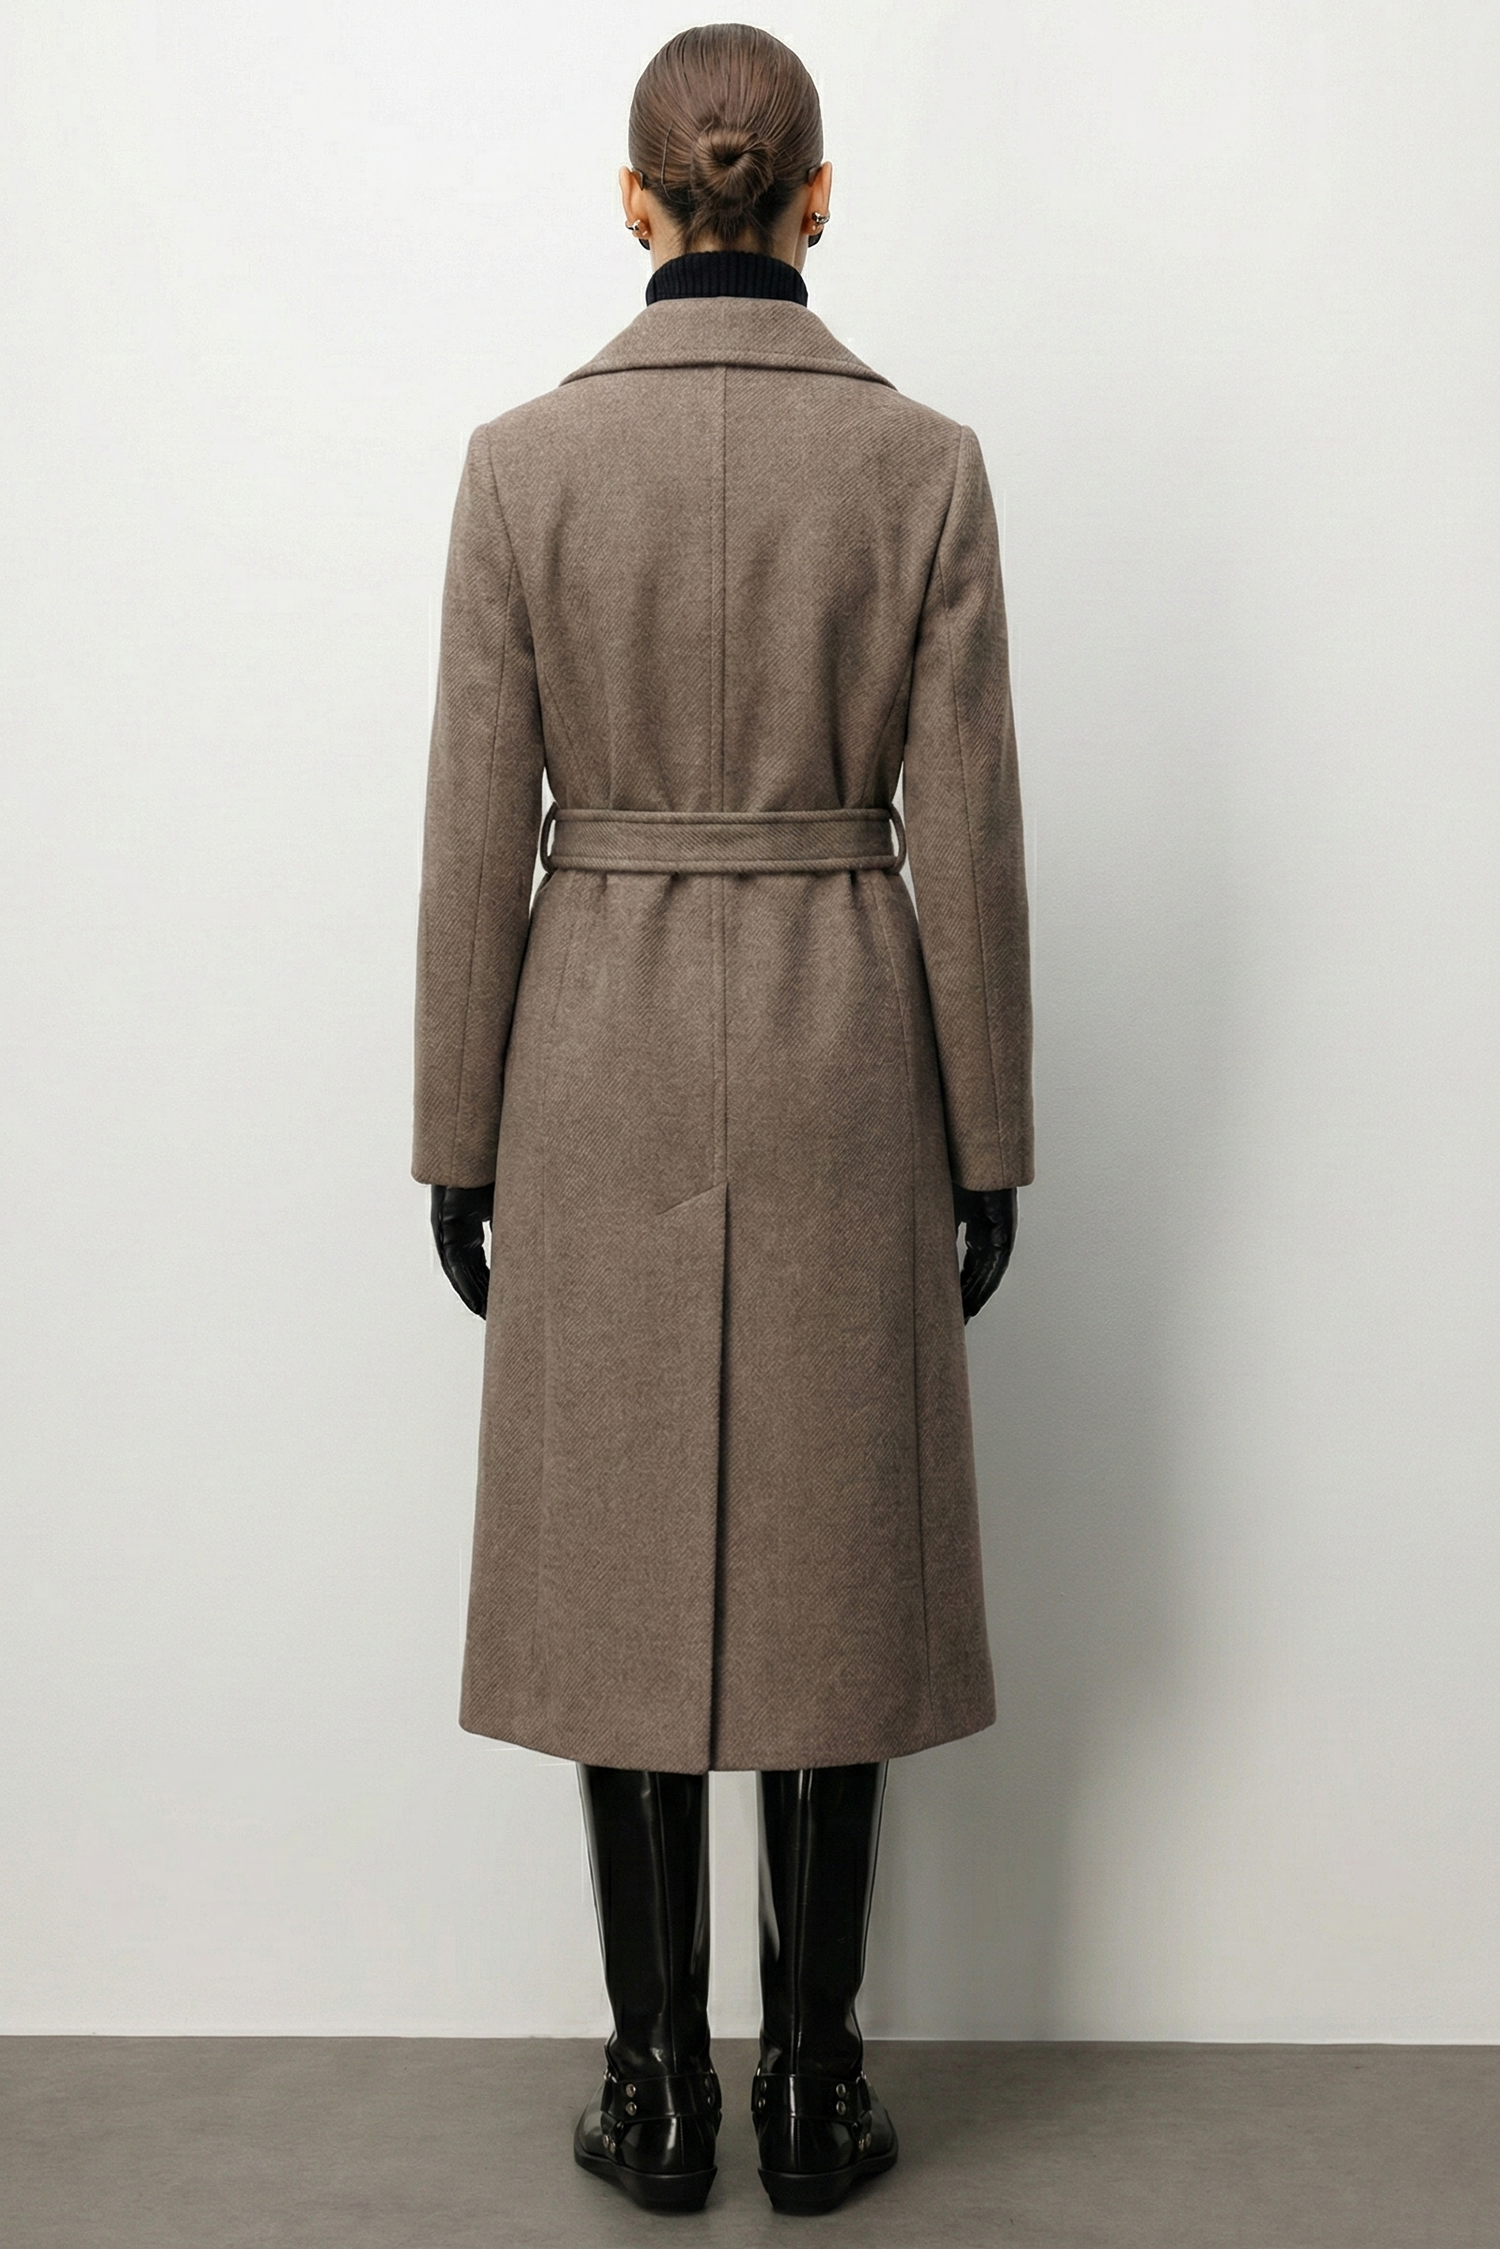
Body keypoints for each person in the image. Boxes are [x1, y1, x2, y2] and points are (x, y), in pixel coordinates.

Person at [414, 22, 1033, 2218]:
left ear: (635, 201)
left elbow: (473, 829)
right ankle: (819, 2090)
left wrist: (454, 1133)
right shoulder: (923, 467)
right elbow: (968, 833)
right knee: (839, 1553)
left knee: (618, 1556)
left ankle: (657, 2081)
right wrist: (991, 1139)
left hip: (590, 1038)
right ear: (819, 197)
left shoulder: (521, 467)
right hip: (852, 1034)